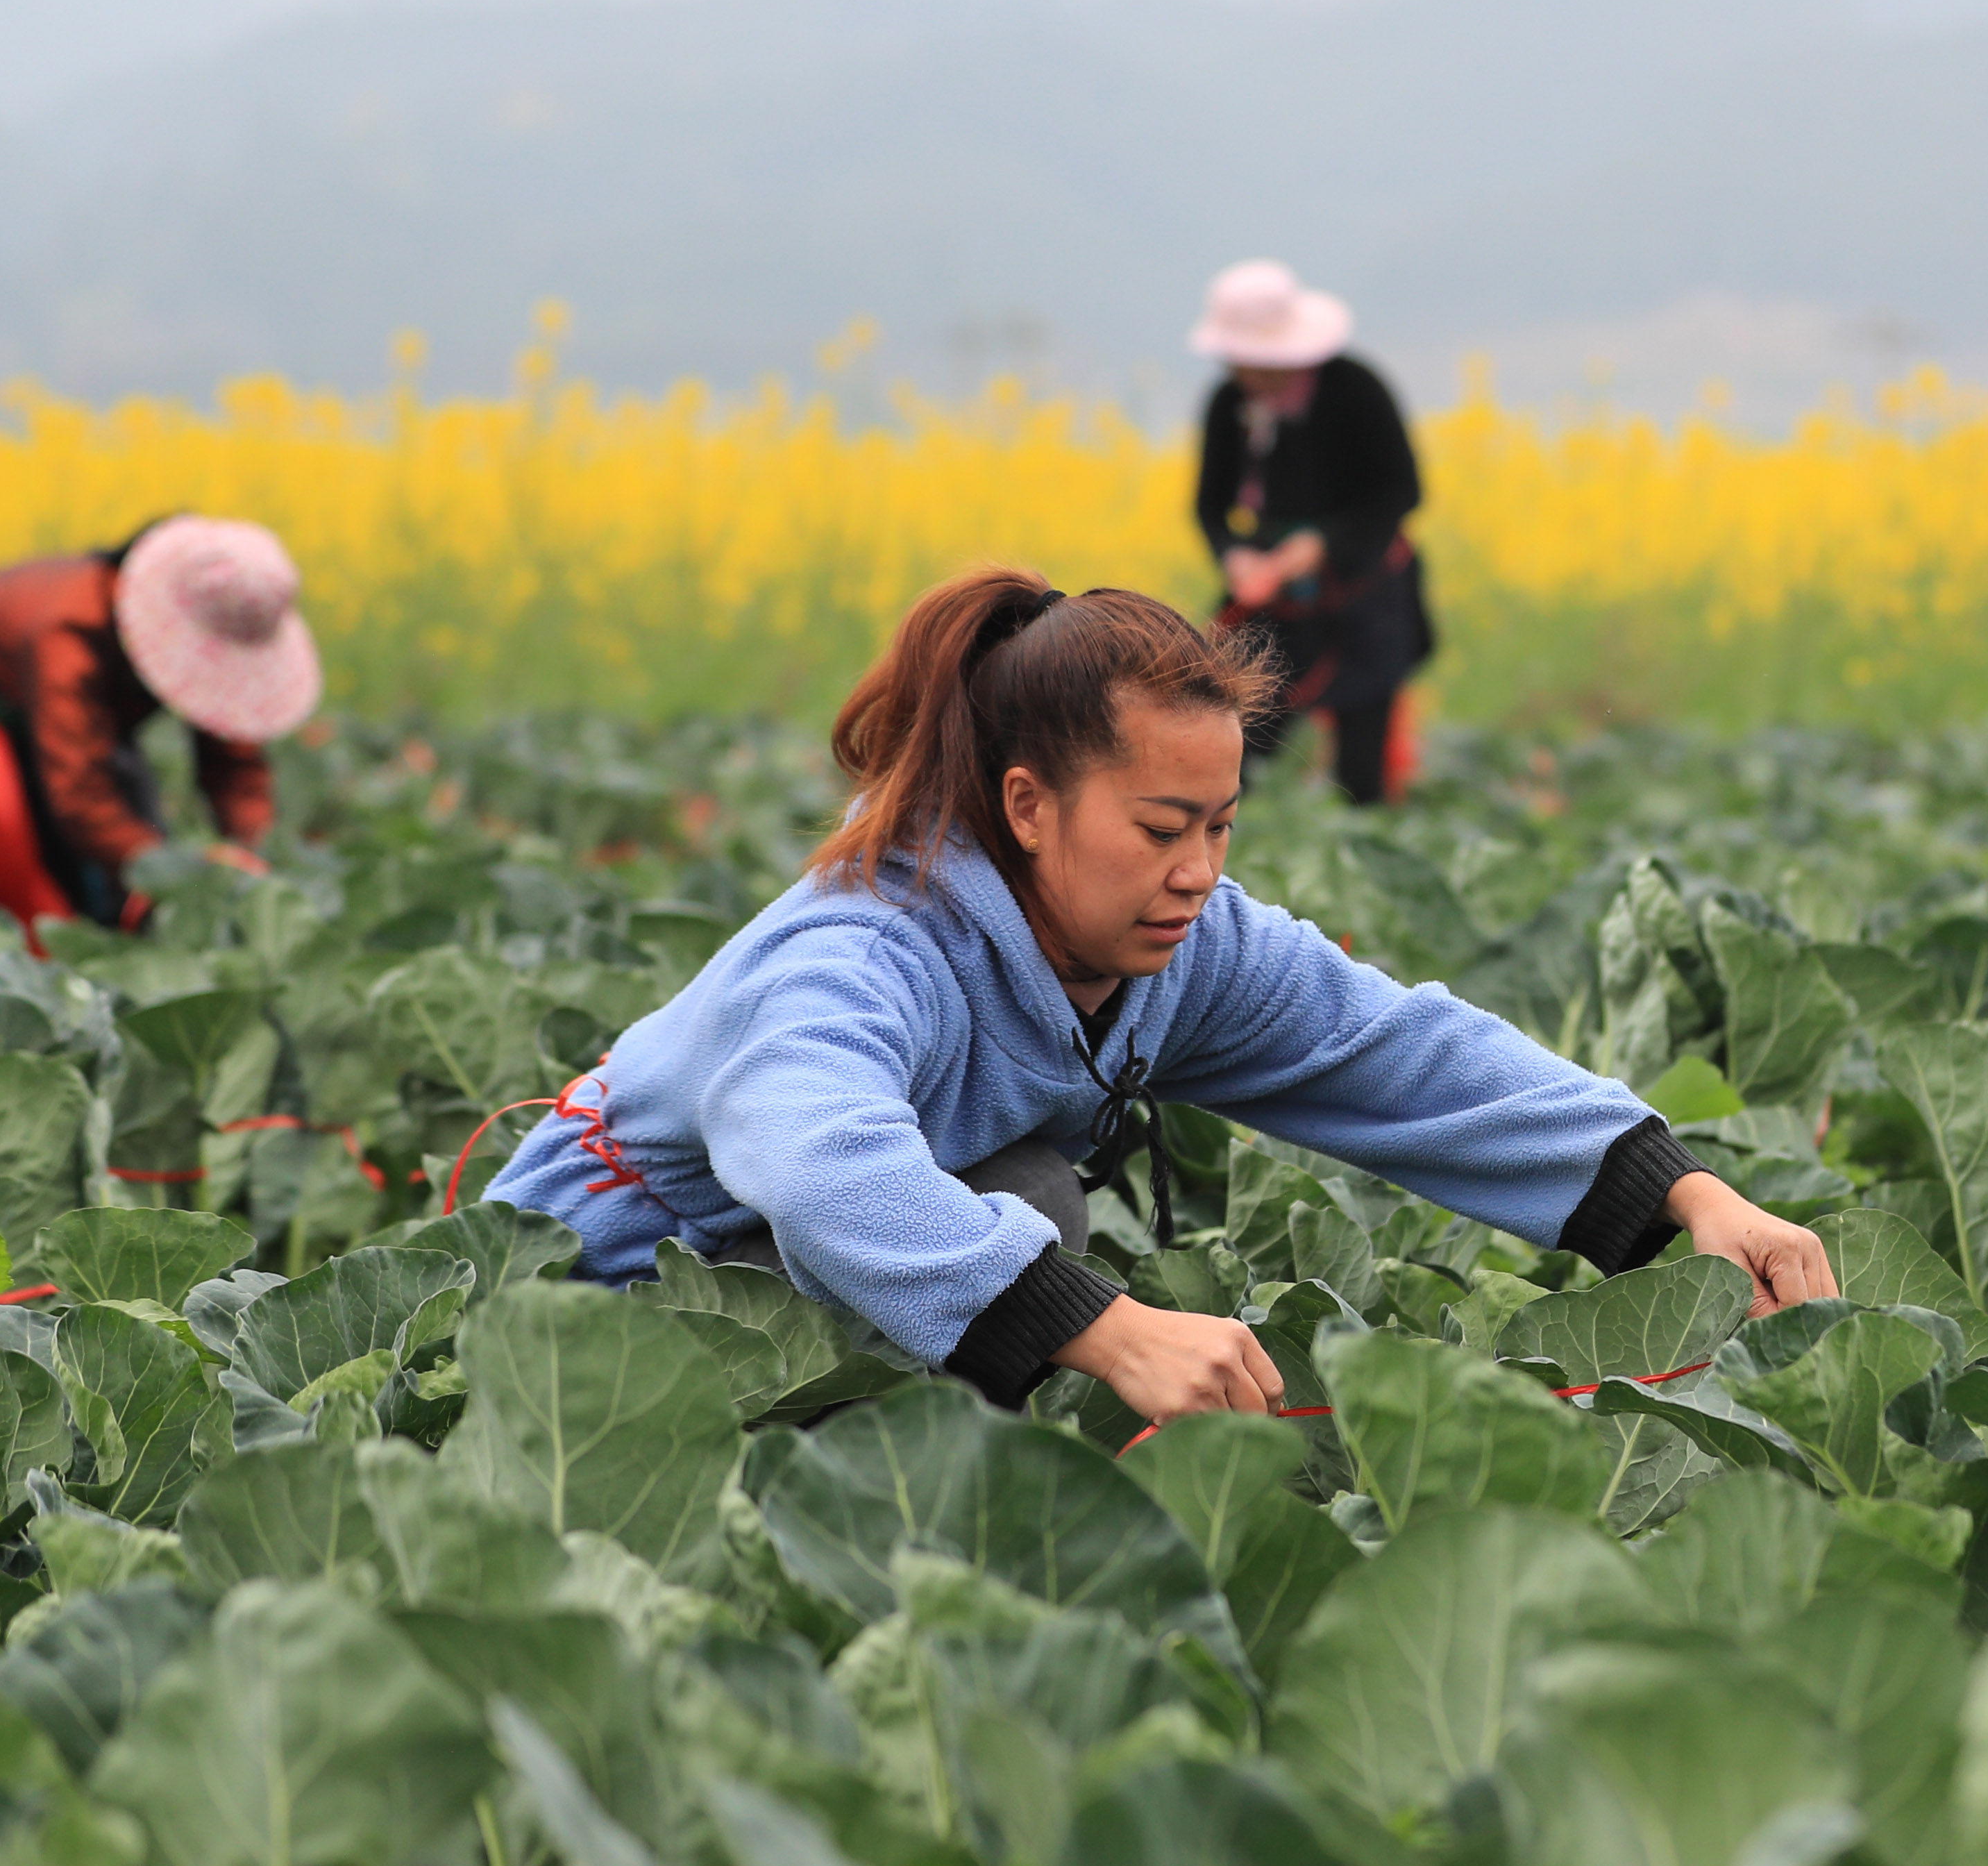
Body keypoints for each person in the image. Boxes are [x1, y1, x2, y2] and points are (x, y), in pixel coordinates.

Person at [484, 566, 1835, 1425]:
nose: (1197, 873)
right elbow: (824, 1170)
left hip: (769, 1292)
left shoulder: (1181, 943)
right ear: (1028, 805)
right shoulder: (861, 946)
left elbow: (1403, 1055)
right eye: (1158, 827)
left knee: (1028, 1207)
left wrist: (1691, 1198)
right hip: (579, 1313)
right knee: (1035, 1218)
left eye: (1221, 826)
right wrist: (1112, 1331)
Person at [0, 516, 321, 932]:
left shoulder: (193, 625)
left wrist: (255, 859)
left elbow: (233, 757)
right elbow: (80, 796)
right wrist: (177, 867)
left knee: (122, 875)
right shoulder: (68, 636)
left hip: (65, 714)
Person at [1189, 260, 1434, 805]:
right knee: (1235, 745)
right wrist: (1234, 557)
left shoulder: (1356, 389)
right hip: (1271, 596)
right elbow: (1209, 507)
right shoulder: (1228, 403)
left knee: (1361, 770)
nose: (1240, 368)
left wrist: (1322, 545)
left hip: (1365, 588)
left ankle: (1364, 868)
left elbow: (1401, 492)